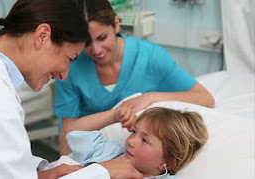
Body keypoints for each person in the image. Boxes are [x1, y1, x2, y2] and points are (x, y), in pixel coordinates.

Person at [0, 0, 143, 178]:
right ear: (42, 35)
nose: (64, 75)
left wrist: (38, 174)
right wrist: (101, 172)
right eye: (69, 59)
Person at [54, 0, 215, 155]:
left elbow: (205, 98)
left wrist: (152, 97)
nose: (96, 50)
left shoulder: (150, 57)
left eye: (102, 38)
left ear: (116, 24)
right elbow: (66, 137)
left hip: (137, 155)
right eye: (86, 43)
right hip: (90, 153)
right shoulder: (71, 65)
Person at [64, 107, 209, 178]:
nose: (131, 141)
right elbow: (73, 133)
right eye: (134, 131)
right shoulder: (110, 153)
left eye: (144, 140)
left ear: (169, 162)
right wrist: (112, 115)